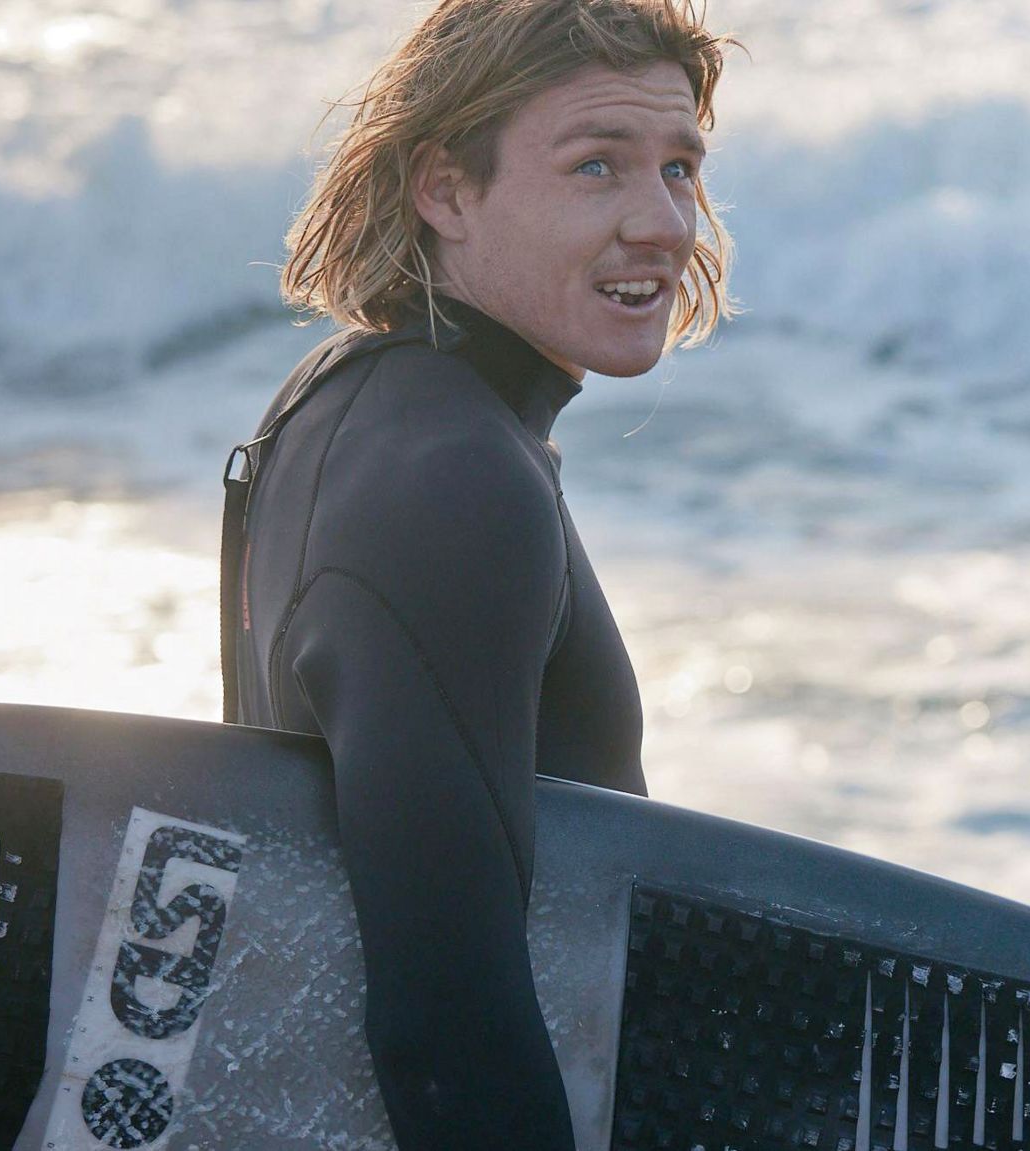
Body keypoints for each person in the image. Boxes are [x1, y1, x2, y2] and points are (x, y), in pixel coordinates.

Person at [218, 1, 739, 1145]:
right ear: (445, 189)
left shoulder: (348, 402)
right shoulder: (456, 482)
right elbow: (445, 1028)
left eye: (678, 167)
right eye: (595, 166)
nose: (660, 221)